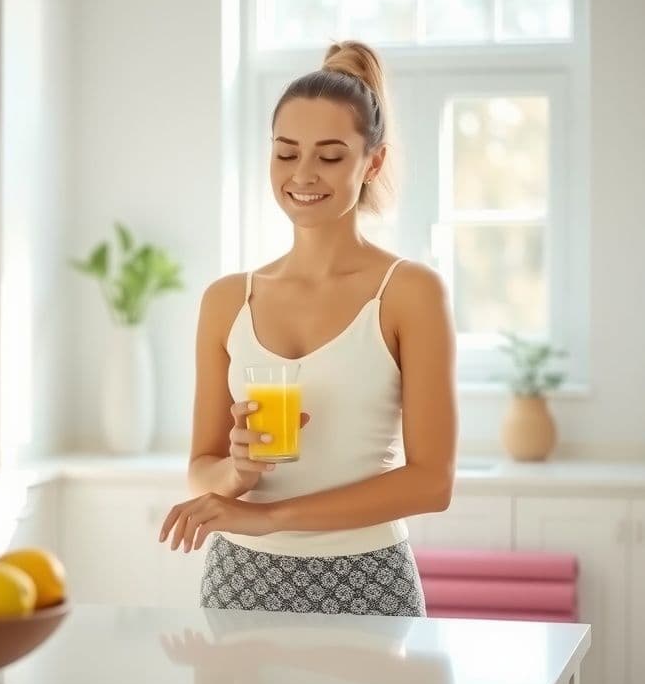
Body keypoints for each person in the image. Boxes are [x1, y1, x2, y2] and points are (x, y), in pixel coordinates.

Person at [158, 40, 457, 617]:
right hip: (238, 578)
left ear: (372, 161)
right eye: (286, 152)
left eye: (330, 155)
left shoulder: (409, 292)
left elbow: (431, 483)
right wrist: (239, 472)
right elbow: (202, 471)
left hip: (367, 580)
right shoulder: (227, 300)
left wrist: (267, 517)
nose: (302, 175)